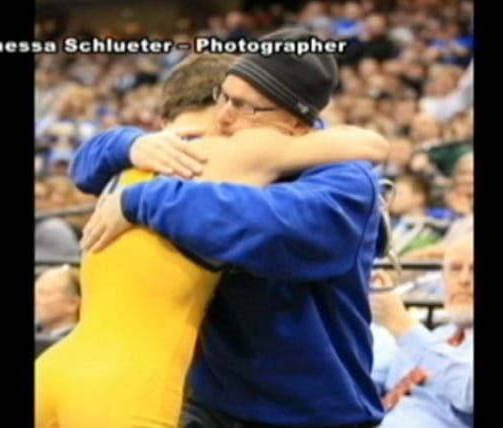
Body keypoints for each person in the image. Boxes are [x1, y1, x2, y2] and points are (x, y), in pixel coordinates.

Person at [36, 50, 389, 428]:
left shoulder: (342, 181)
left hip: (311, 412)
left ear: (295, 122)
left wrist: (141, 198)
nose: (194, 157)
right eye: (225, 99)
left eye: (243, 108)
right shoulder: (173, 156)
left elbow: (265, 225)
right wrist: (130, 144)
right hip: (213, 398)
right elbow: (86, 164)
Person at [368, 233, 473, 427]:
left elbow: (470, 394)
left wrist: (401, 324)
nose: (464, 279)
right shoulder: (438, 335)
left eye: (474, 269)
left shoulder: (413, 335)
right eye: (455, 269)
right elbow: (374, 382)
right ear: (442, 280)